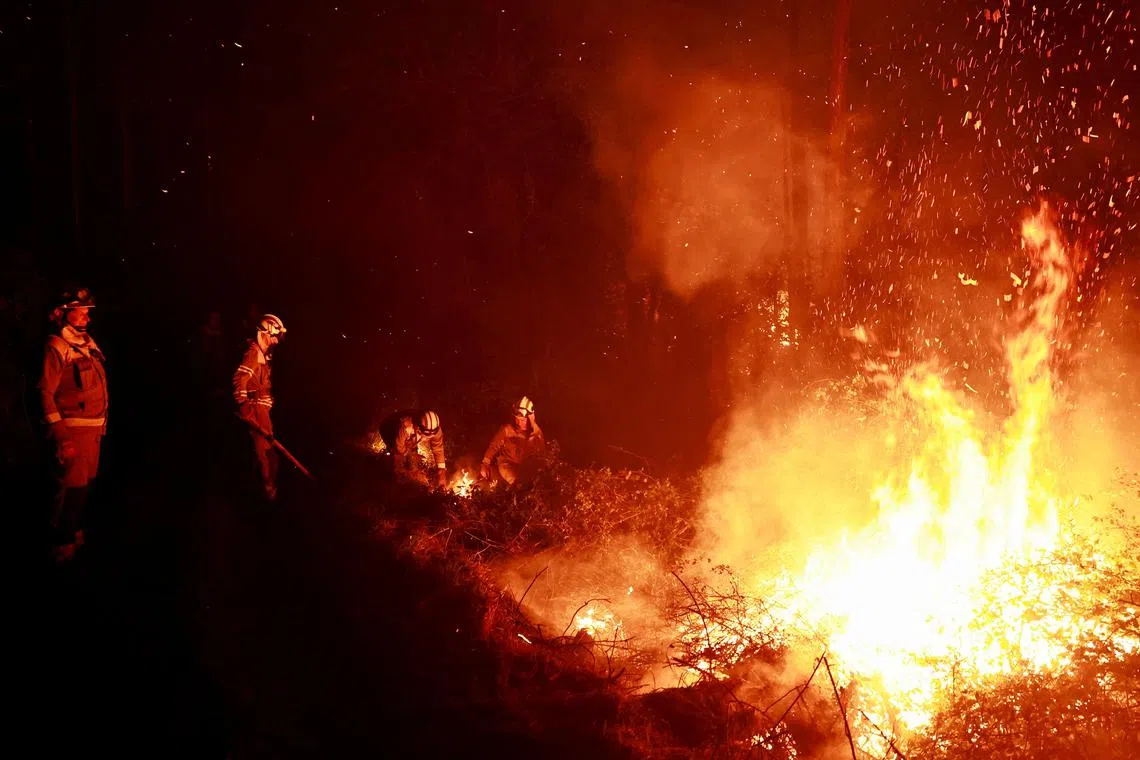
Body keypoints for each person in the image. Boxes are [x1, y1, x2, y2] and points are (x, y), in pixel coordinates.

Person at [37, 287, 107, 561]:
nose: (87, 318)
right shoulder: (56, 346)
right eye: (81, 312)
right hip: (73, 430)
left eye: (88, 312)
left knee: (84, 485)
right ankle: (59, 542)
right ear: (63, 313)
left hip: (93, 428)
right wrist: (60, 435)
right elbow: (44, 392)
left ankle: (72, 531)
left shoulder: (86, 345)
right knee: (69, 486)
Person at [233, 313, 285, 501]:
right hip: (255, 411)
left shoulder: (263, 355)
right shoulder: (253, 353)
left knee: (265, 454)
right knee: (267, 455)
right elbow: (240, 379)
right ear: (264, 333)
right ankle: (268, 493)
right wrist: (245, 406)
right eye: (273, 337)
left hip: (261, 410)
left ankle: (259, 488)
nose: (276, 342)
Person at [480, 396, 546, 486]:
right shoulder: (507, 429)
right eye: (517, 419)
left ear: (530, 419)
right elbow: (494, 445)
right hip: (507, 464)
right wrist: (485, 463)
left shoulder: (537, 434)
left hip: (526, 466)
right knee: (517, 484)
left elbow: (542, 455)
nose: (518, 423)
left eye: (522, 420)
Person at [392, 409, 448, 491]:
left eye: (431, 436)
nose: (428, 438)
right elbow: (398, 451)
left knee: (413, 456)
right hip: (389, 430)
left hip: (412, 435)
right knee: (403, 466)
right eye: (426, 435)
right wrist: (409, 464)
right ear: (418, 427)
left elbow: (438, 449)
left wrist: (441, 472)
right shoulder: (406, 428)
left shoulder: (435, 429)